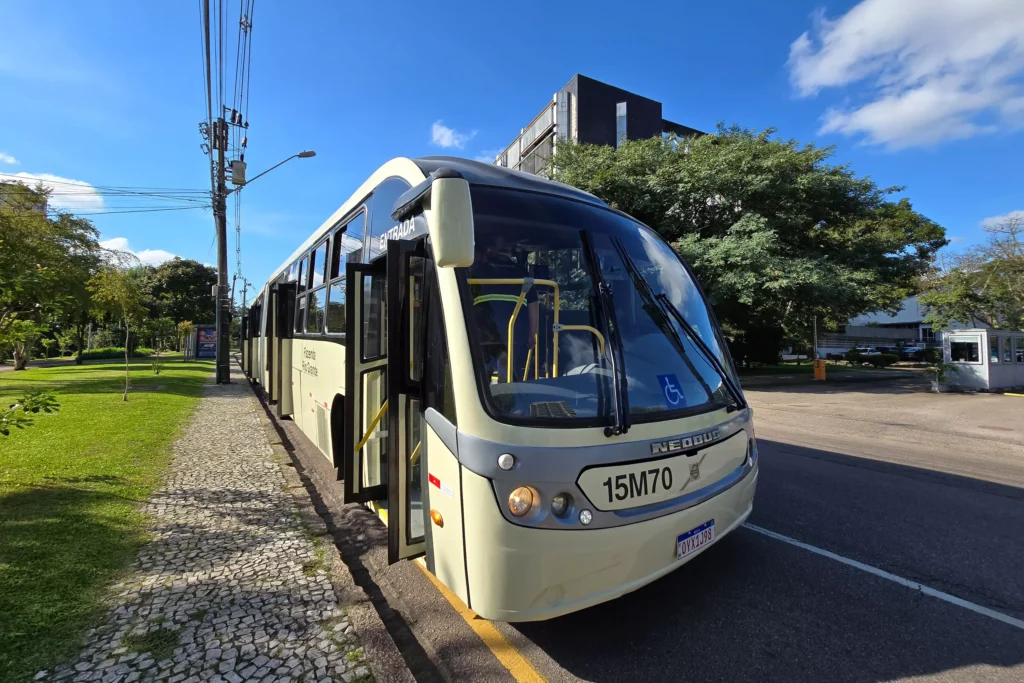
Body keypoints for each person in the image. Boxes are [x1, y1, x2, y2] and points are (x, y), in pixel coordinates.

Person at [468, 234, 539, 383]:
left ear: (491, 251)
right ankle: (505, 403)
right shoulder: (522, 273)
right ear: (512, 252)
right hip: (513, 334)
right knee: (507, 376)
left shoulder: (477, 272)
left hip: (484, 332)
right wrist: (533, 334)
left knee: (481, 377)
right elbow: (533, 304)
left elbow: (467, 302)